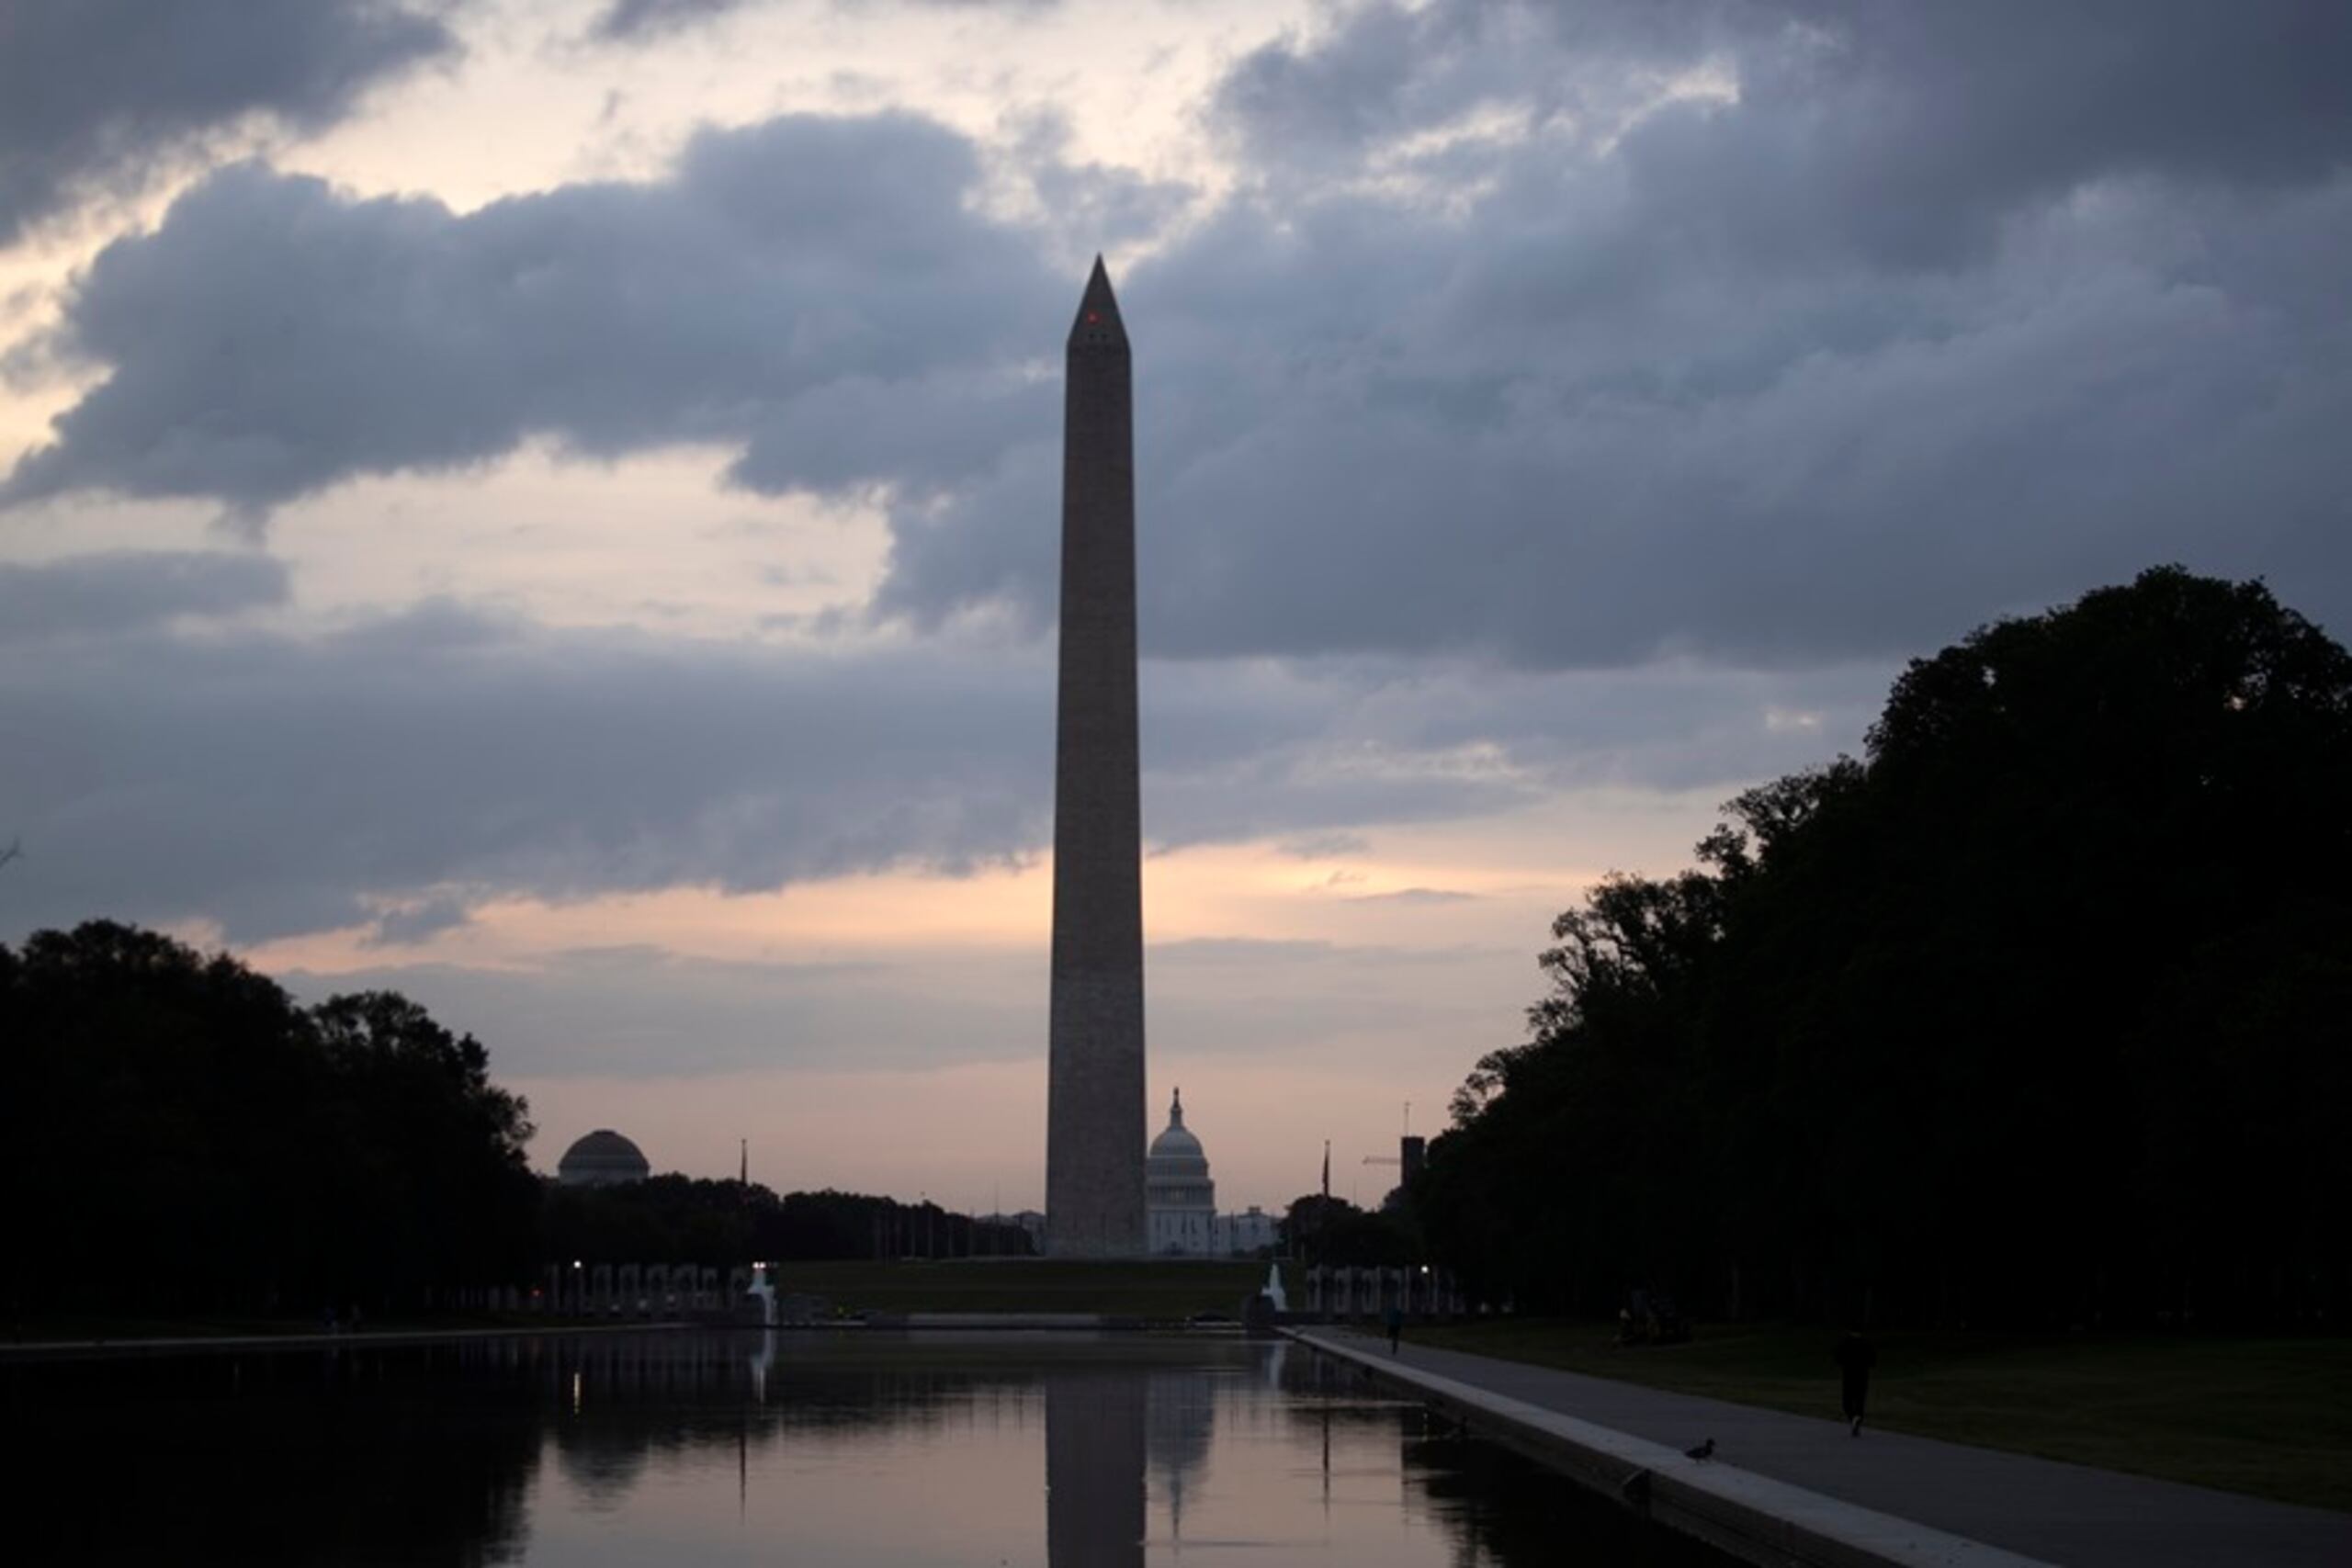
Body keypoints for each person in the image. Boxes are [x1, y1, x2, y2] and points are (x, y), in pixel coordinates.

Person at [1835, 1331, 1877, 1436]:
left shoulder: (1845, 1342)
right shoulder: (1867, 1342)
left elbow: (1838, 1356)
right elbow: (1873, 1359)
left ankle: (1853, 1417)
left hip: (1849, 1373)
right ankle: (1857, 1417)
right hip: (1863, 1374)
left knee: (1847, 1400)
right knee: (1860, 1399)